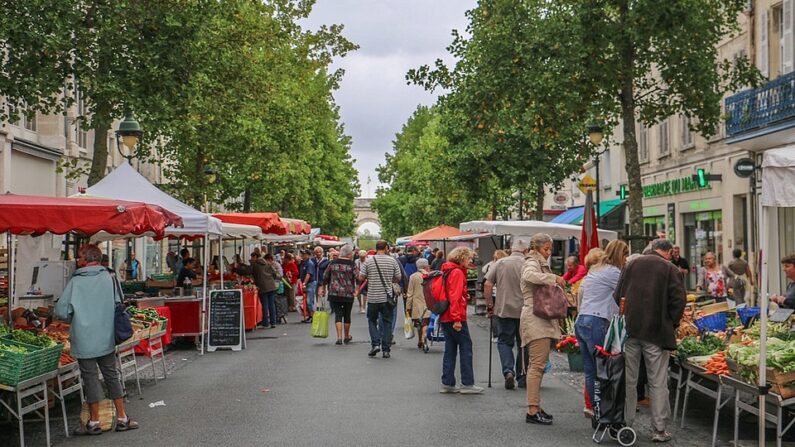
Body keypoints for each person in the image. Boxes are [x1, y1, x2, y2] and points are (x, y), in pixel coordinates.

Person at [55, 244, 138, 435]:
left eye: (79, 257)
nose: (78, 260)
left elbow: (61, 310)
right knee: (111, 375)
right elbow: (119, 302)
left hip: (84, 339)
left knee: (90, 378)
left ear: (86, 259)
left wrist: (76, 317)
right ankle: (123, 417)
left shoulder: (75, 282)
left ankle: (94, 422)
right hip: (106, 335)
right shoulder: (109, 278)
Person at [614, 239, 685, 443]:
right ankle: (659, 429)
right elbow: (679, 301)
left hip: (631, 329)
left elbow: (618, 295)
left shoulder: (631, 264)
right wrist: (671, 322)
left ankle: (627, 424)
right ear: (669, 252)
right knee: (657, 381)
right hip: (656, 331)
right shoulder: (670, 269)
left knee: (629, 379)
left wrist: (629, 314)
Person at [574, 240, 628, 418]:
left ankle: (595, 409)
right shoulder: (614, 272)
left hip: (582, 320)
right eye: (625, 255)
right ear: (620, 255)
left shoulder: (596, 269)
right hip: (597, 320)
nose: (627, 259)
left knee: (590, 370)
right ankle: (605, 411)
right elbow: (625, 294)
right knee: (603, 369)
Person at [520, 233, 567, 425]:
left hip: (539, 317)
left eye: (550, 249)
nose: (548, 253)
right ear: (537, 248)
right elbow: (528, 275)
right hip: (536, 318)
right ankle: (532, 410)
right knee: (537, 366)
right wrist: (553, 277)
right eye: (546, 249)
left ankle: (536, 406)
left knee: (537, 365)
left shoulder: (537, 261)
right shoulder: (532, 262)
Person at [484, 239, 529, 390]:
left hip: (504, 309)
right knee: (524, 343)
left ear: (511, 249)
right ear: (525, 251)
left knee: (504, 341)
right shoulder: (529, 264)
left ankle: (508, 371)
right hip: (525, 310)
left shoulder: (501, 262)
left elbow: (488, 284)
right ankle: (522, 377)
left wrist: (490, 305)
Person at [437, 247, 483, 394]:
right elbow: (454, 297)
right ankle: (467, 383)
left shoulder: (448, 269)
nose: (471, 261)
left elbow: (451, 293)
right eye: (469, 258)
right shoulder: (457, 272)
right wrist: (457, 319)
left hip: (445, 315)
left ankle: (448, 382)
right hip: (455, 316)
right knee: (466, 348)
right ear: (462, 258)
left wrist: (464, 296)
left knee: (450, 349)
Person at [358, 240, 401, 358]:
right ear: (386, 248)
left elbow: (361, 277)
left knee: (372, 320)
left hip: (372, 297)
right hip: (387, 297)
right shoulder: (392, 261)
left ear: (376, 248)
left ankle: (375, 344)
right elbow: (398, 277)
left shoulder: (369, 261)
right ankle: (386, 350)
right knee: (387, 322)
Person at [322, 244, 357, 345]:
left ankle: (339, 338)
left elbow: (325, 276)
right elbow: (358, 276)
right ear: (349, 254)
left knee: (338, 314)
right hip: (348, 293)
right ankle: (346, 336)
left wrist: (323, 287)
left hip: (334, 292)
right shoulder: (352, 264)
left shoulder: (333, 263)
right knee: (347, 314)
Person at [406, 257, 431, 349]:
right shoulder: (431, 275)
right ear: (426, 266)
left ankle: (420, 339)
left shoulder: (413, 277)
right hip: (429, 303)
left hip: (417, 304)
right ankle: (424, 338)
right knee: (426, 322)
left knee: (419, 323)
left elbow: (410, 293)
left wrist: (408, 307)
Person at [251, 252, 280, 328]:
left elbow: (254, 275)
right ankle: (273, 322)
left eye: (252, 257)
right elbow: (275, 274)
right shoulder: (268, 264)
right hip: (271, 285)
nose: (251, 259)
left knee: (265, 305)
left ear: (255, 257)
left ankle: (265, 323)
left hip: (262, 286)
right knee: (271, 305)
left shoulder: (255, 265)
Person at [299, 250, 317, 323]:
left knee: (310, 301)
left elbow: (308, 274)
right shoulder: (303, 263)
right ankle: (310, 316)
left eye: (304, 254)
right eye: (302, 254)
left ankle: (313, 317)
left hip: (310, 283)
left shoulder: (309, 263)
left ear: (308, 255)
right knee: (307, 301)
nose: (302, 256)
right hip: (307, 283)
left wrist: (304, 284)